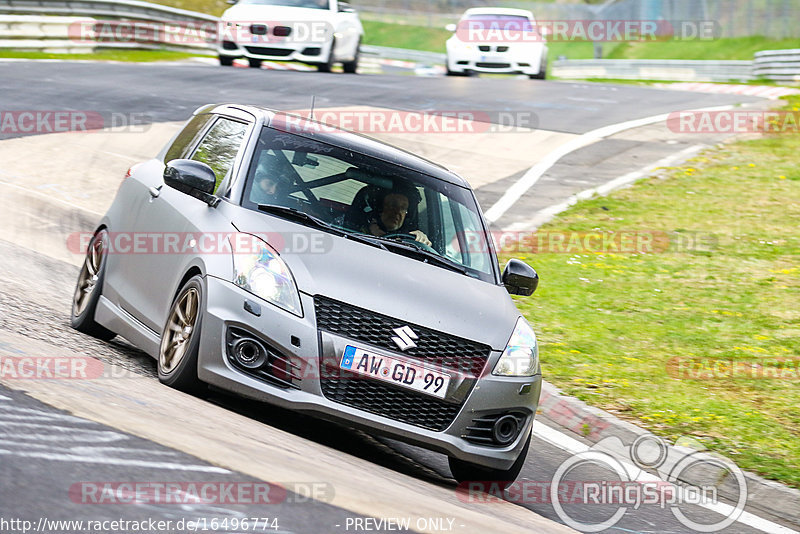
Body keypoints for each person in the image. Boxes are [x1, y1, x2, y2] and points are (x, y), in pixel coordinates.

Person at [365, 188, 431, 246]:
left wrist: (421, 241)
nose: (397, 211)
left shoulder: (408, 239)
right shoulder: (358, 234)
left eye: (403, 208)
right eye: (393, 205)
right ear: (380, 208)